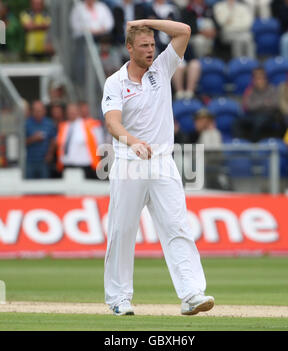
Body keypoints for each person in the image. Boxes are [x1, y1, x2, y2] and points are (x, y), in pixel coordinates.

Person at [101, 19, 214, 316]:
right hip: (129, 163)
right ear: (129, 48)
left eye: (152, 45)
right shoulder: (115, 82)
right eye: (144, 46)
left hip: (163, 162)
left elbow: (184, 31)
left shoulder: (162, 69)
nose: (150, 50)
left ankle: (191, 293)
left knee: (177, 226)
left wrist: (145, 23)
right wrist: (133, 142)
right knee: (122, 231)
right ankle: (118, 298)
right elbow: (112, 122)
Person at [56, 103, 104, 179]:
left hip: (84, 165)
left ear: (78, 111)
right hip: (66, 164)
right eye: (69, 111)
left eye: (74, 110)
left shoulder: (90, 125)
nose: (71, 113)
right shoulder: (63, 126)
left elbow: (100, 144)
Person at [236, 68, 283, 142]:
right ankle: (239, 143)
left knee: (258, 123)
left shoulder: (272, 89)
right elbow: (248, 106)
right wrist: (264, 103)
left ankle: (255, 146)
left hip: (268, 115)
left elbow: (275, 104)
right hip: (253, 115)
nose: (259, 81)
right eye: (257, 79)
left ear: (266, 79)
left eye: (261, 78)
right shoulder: (250, 90)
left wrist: (258, 104)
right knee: (237, 122)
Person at [25, 100, 56, 179]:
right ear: (32, 111)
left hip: (44, 162)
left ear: (44, 111)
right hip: (29, 162)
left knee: (45, 187)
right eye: (35, 111)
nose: (37, 113)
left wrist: (50, 154)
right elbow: (21, 143)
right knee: (29, 188)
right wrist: (33, 139)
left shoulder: (50, 123)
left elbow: (53, 140)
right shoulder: (26, 124)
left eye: (39, 111)